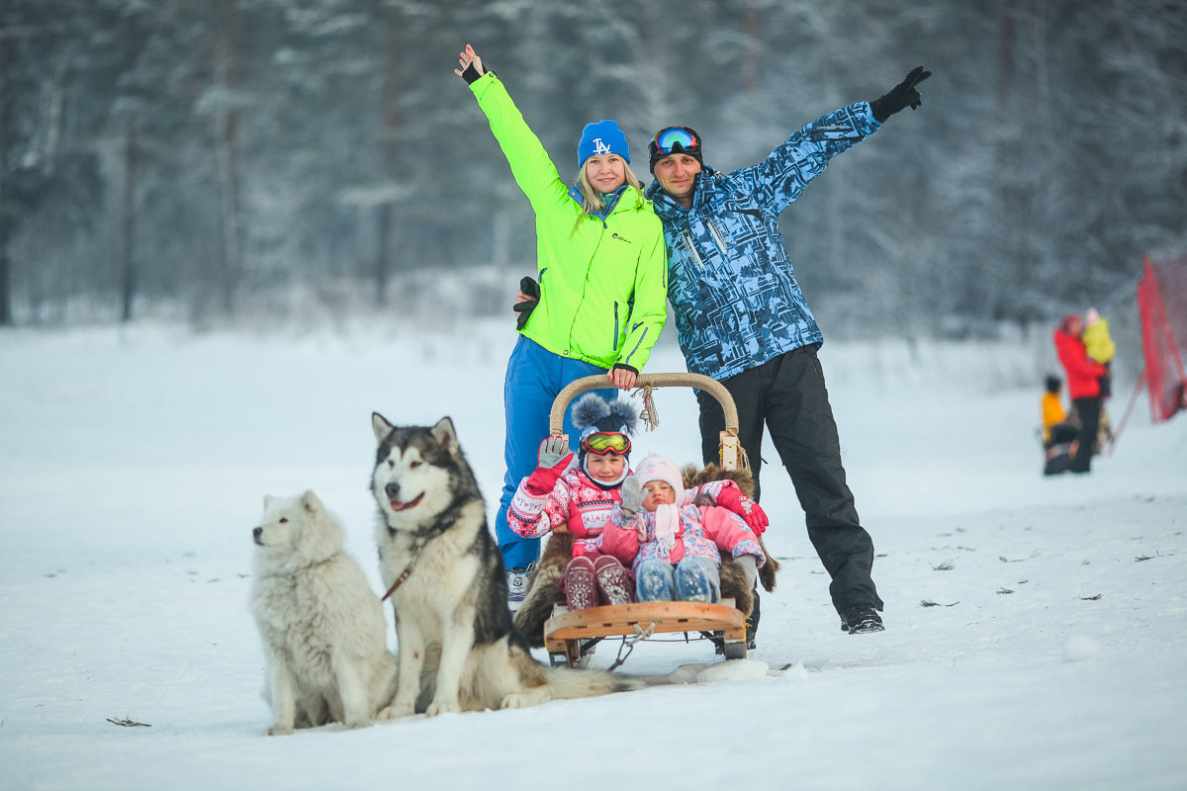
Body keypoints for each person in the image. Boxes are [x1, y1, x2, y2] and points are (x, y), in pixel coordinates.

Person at [642, 66, 933, 634]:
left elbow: (808, 147)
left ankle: (858, 603)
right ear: (655, 169)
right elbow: (600, 277)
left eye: (687, 159)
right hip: (722, 381)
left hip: (789, 357)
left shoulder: (747, 190)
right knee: (725, 502)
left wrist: (878, 109)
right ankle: (736, 618)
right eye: (667, 162)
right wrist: (537, 299)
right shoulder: (647, 226)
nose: (679, 169)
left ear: (700, 161)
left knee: (823, 482)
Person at [454, 45, 669, 610]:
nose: (604, 168)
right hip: (536, 358)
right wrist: (485, 84)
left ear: (627, 166)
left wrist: (631, 360)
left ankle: (581, 580)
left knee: (586, 485)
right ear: (584, 168)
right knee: (524, 475)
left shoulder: (645, 226)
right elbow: (519, 144)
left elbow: (651, 307)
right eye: (594, 161)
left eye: (614, 160)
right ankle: (516, 577)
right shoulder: (556, 206)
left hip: (593, 372)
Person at [598, 454, 765, 605]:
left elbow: (731, 527)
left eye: (664, 487)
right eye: (648, 489)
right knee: (650, 569)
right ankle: (654, 595)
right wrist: (627, 514)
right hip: (655, 562)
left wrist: (746, 556)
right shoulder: (638, 522)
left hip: (698, 557)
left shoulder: (695, 512)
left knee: (693, 566)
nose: (657, 493)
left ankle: (697, 592)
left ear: (677, 491)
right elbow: (618, 550)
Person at [1053, 314, 1107, 474]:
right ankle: (1079, 464)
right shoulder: (1066, 345)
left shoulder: (1079, 342)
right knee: (1088, 428)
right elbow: (1079, 368)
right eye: (1074, 325)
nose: (1078, 328)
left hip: (1092, 390)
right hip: (1081, 392)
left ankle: (1084, 464)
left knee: (1093, 428)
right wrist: (1100, 370)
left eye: (1079, 324)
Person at [1083, 308, 1115, 399]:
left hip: (1101, 357)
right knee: (1105, 376)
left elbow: (1094, 345)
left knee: (1102, 377)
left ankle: (1105, 393)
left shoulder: (1094, 331)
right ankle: (1105, 392)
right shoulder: (1099, 328)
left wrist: (1091, 357)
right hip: (1105, 356)